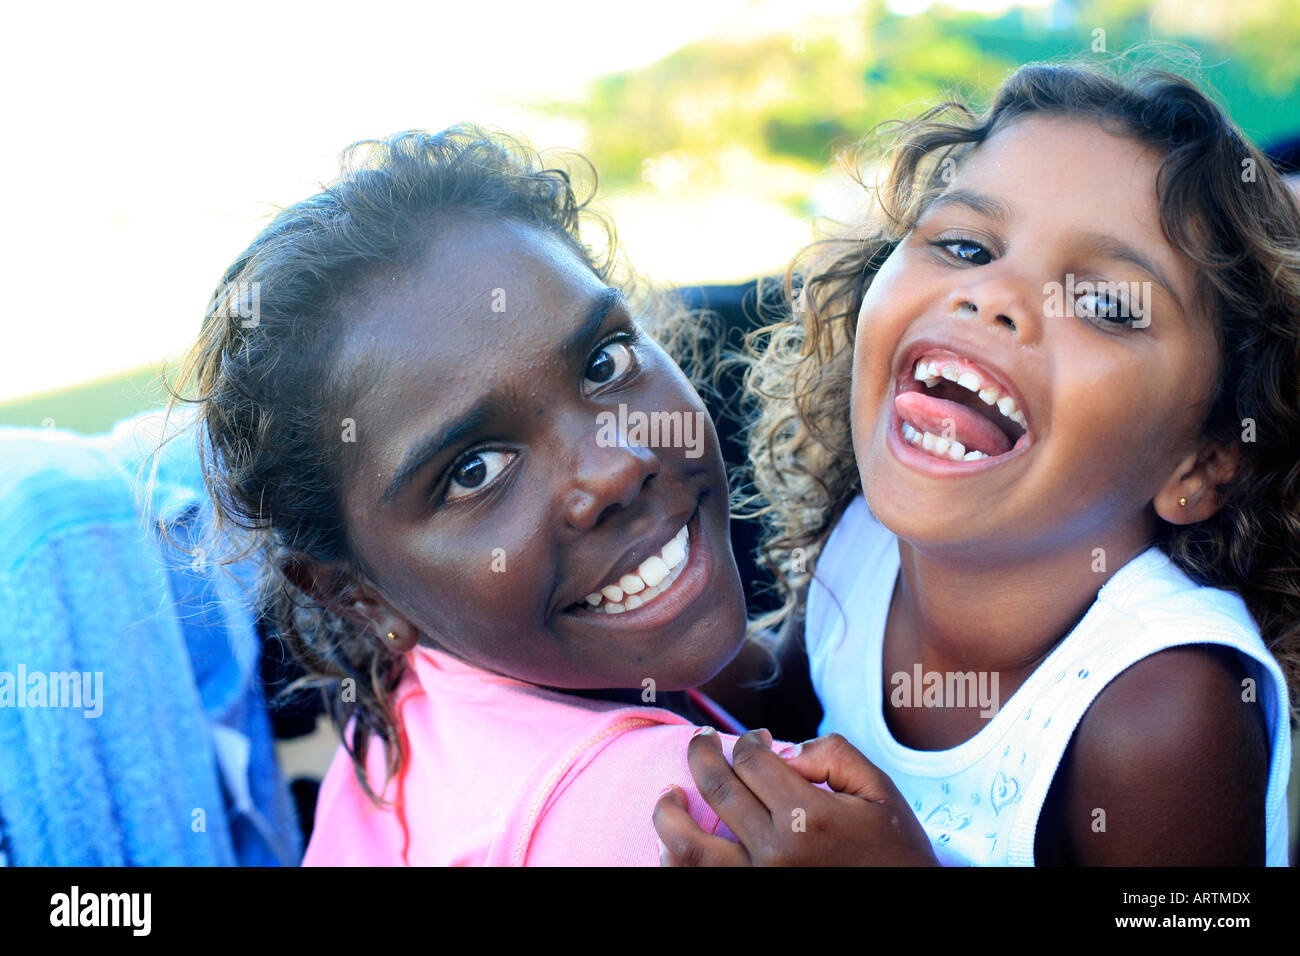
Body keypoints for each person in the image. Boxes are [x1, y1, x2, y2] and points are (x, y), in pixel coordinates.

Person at [654, 57, 1299, 866]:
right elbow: (789, 689)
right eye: (964, 246)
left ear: (1199, 467)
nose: (995, 296)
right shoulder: (866, 541)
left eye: (1103, 305)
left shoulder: (1161, 709)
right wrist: (647, 636)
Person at [162, 125, 786, 865]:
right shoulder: (692, 818)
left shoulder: (399, 730)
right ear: (359, 596)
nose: (613, 468)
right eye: (475, 471)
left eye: (605, 361)